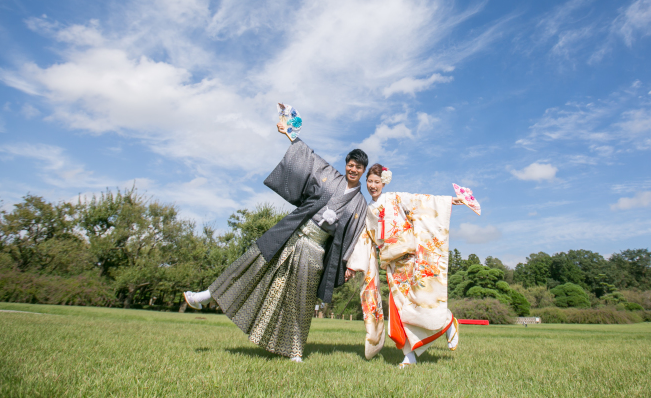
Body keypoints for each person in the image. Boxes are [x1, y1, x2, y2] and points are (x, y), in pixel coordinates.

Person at [183, 122, 368, 362]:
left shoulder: (360, 204)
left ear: (363, 171)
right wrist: (291, 135)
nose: (353, 170)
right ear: (346, 165)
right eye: (350, 165)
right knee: (254, 265)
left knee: (301, 299)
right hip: (294, 233)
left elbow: (355, 235)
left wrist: (349, 264)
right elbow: (309, 158)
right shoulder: (331, 176)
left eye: (358, 167)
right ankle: (206, 296)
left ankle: (295, 350)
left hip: (315, 248)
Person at [346, 163, 470, 367]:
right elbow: (364, 240)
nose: (373, 185)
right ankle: (410, 355)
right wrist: (353, 266)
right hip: (392, 267)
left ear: (383, 182)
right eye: (369, 181)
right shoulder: (369, 211)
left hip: (410, 260)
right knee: (400, 313)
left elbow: (422, 202)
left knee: (419, 304)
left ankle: (447, 323)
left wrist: (449, 201)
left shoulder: (394, 198)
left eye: (377, 181)